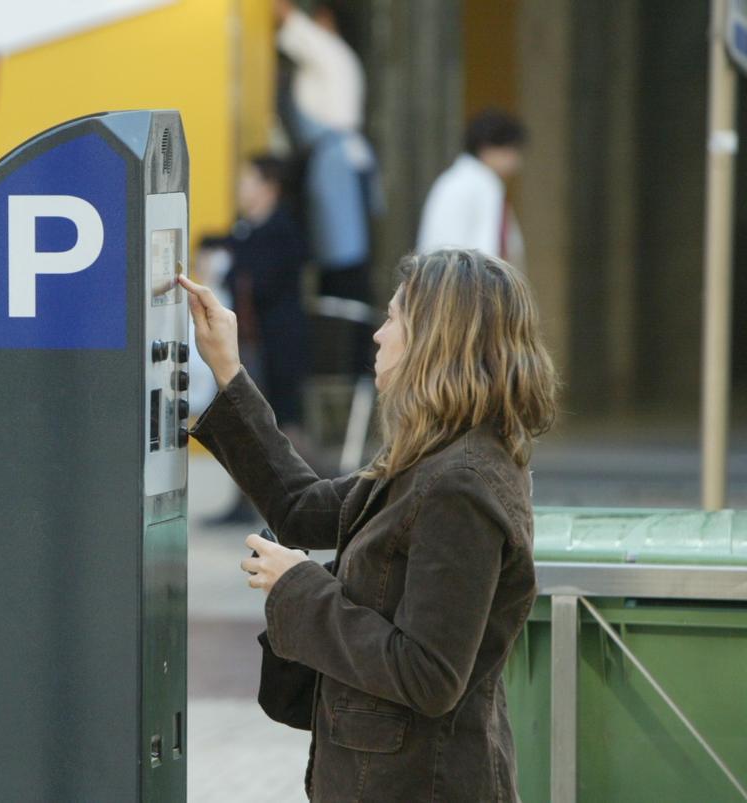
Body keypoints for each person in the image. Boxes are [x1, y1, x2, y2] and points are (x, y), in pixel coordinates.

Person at [178, 248, 557, 801]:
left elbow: (429, 673)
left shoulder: (461, 484)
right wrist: (229, 370)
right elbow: (301, 507)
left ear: (436, 340)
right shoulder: (435, 458)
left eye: (393, 318)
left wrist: (299, 588)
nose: (378, 336)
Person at [198, 154, 310, 524]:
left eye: (248, 181)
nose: (241, 189)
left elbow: (260, 281)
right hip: (251, 341)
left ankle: (309, 494)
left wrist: (228, 269)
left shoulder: (283, 230)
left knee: (283, 419)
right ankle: (250, 500)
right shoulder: (246, 228)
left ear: (268, 187)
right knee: (249, 418)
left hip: (278, 343)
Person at [275, 0, 379, 303]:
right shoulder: (341, 56)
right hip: (338, 159)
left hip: (337, 162)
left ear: (326, 19)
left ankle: (343, 329)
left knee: (342, 258)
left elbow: (285, 14)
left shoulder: (330, 50)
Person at [417, 109, 527, 265]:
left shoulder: (456, 179)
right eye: (508, 152)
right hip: (468, 281)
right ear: (486, 148)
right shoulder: (482, 185)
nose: (515, 163)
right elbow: (488, 247)